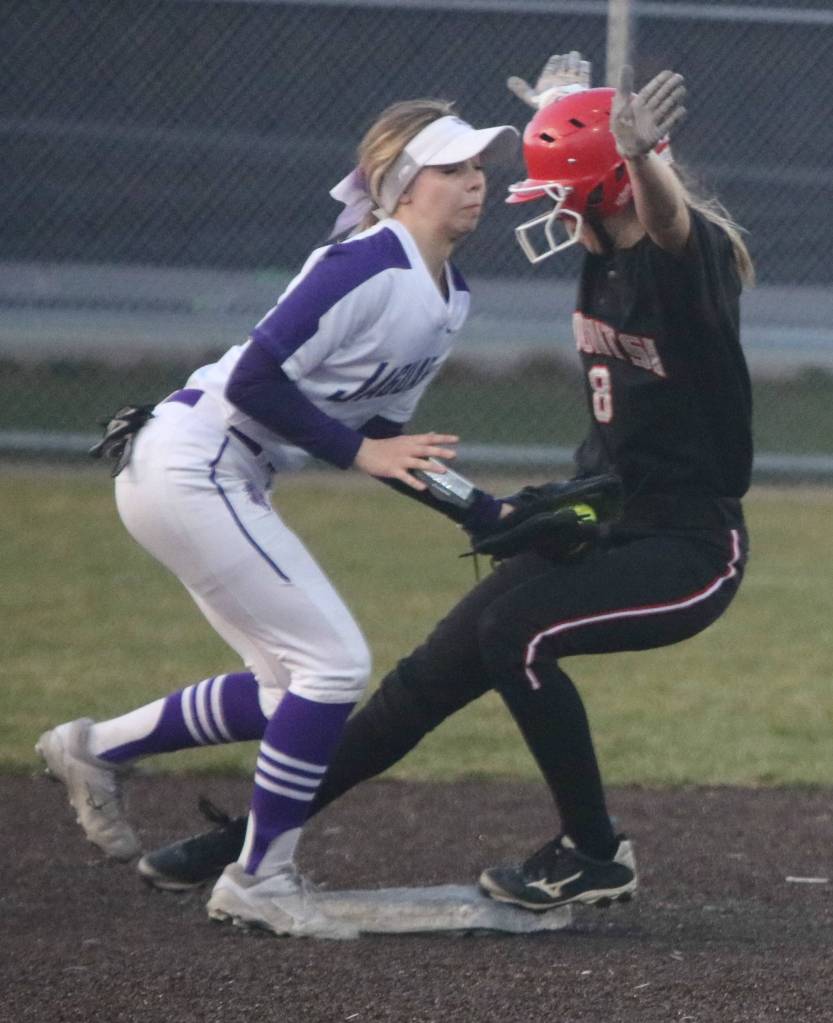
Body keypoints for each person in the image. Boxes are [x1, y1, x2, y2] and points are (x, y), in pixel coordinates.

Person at [138, 53, 754, 913]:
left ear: (609, 189)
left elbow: (669, 225)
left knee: (517, 634)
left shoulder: (683, 256)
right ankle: (252, 835)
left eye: (559, 189)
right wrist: (558, 115)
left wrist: (642, 160)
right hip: (603, 515)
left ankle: (595, 850)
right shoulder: (604, 249)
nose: (540, 205)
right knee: (425, 677)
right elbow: (607, 193)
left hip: (688, 544)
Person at [35, 99, 519, 938]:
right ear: (399, 185)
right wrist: (358, 454)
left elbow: (382, 436)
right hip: (192, 458)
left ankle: (95, 747)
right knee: (333, 666)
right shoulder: (365, 264)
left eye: (478, 167)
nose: (474, 182)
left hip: (217, 471)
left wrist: (482, 510)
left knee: (286, 687)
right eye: (451, 168)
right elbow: (256, 378)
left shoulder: (450, 295)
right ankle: (262, 876)